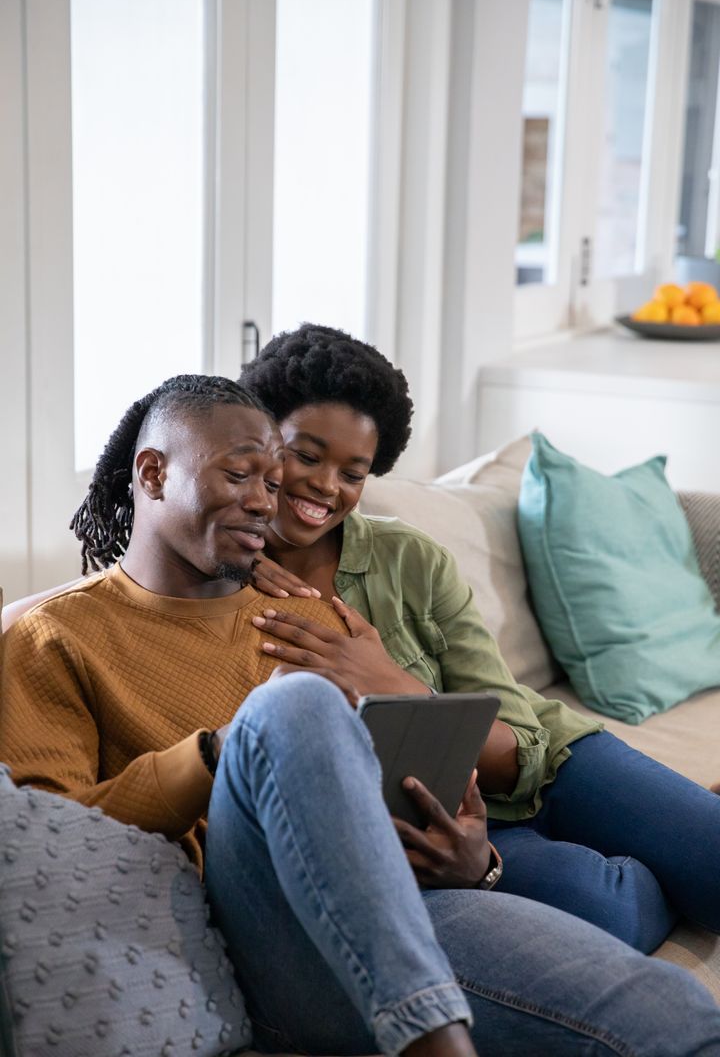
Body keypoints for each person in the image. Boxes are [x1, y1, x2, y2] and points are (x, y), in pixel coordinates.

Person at [3, 374, 720, 1056]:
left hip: (407, 906)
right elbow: (57, 839)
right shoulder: (53, 638)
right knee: (295, 704)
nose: (263, 502)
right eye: (239, 474)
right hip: (258, 934)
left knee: (672, 1013)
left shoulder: (315, 623)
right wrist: (225, 750)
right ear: (154, 474)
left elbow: (396, 796)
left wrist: (475, 855)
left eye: (272, 484)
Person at [240, 323, 720, 955]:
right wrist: (480, 866)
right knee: (610, 914)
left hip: (556, 766)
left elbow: (521, 745)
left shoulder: (409, 559)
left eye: (353, 472)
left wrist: (392, 686)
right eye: (307, 456)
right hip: (447, 828)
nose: (327, 487)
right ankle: (666, 852)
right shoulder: (219, 587)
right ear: (261, 441)